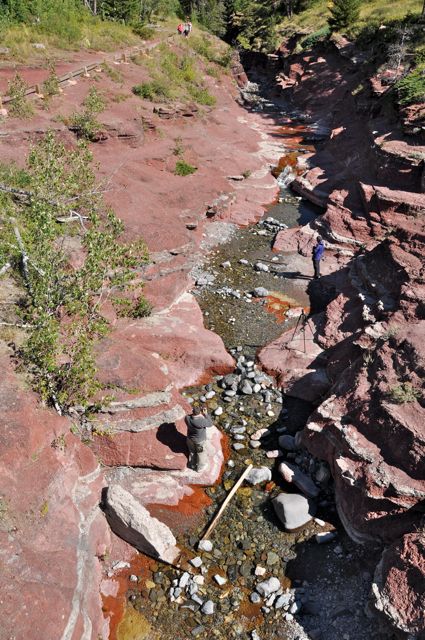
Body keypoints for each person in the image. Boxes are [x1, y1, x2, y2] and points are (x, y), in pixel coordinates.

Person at [185, 404, 213, 472]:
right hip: (199, 442)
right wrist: (205, 414)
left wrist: (199, 414)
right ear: (200, 412)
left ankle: (192, 464)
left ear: (192, 411)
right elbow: (210, 423)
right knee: (201, 453)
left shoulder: (187, 418)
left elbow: (191, 416)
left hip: (190, 439)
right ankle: (200, 468)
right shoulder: (201, 421)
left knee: (192, 451)